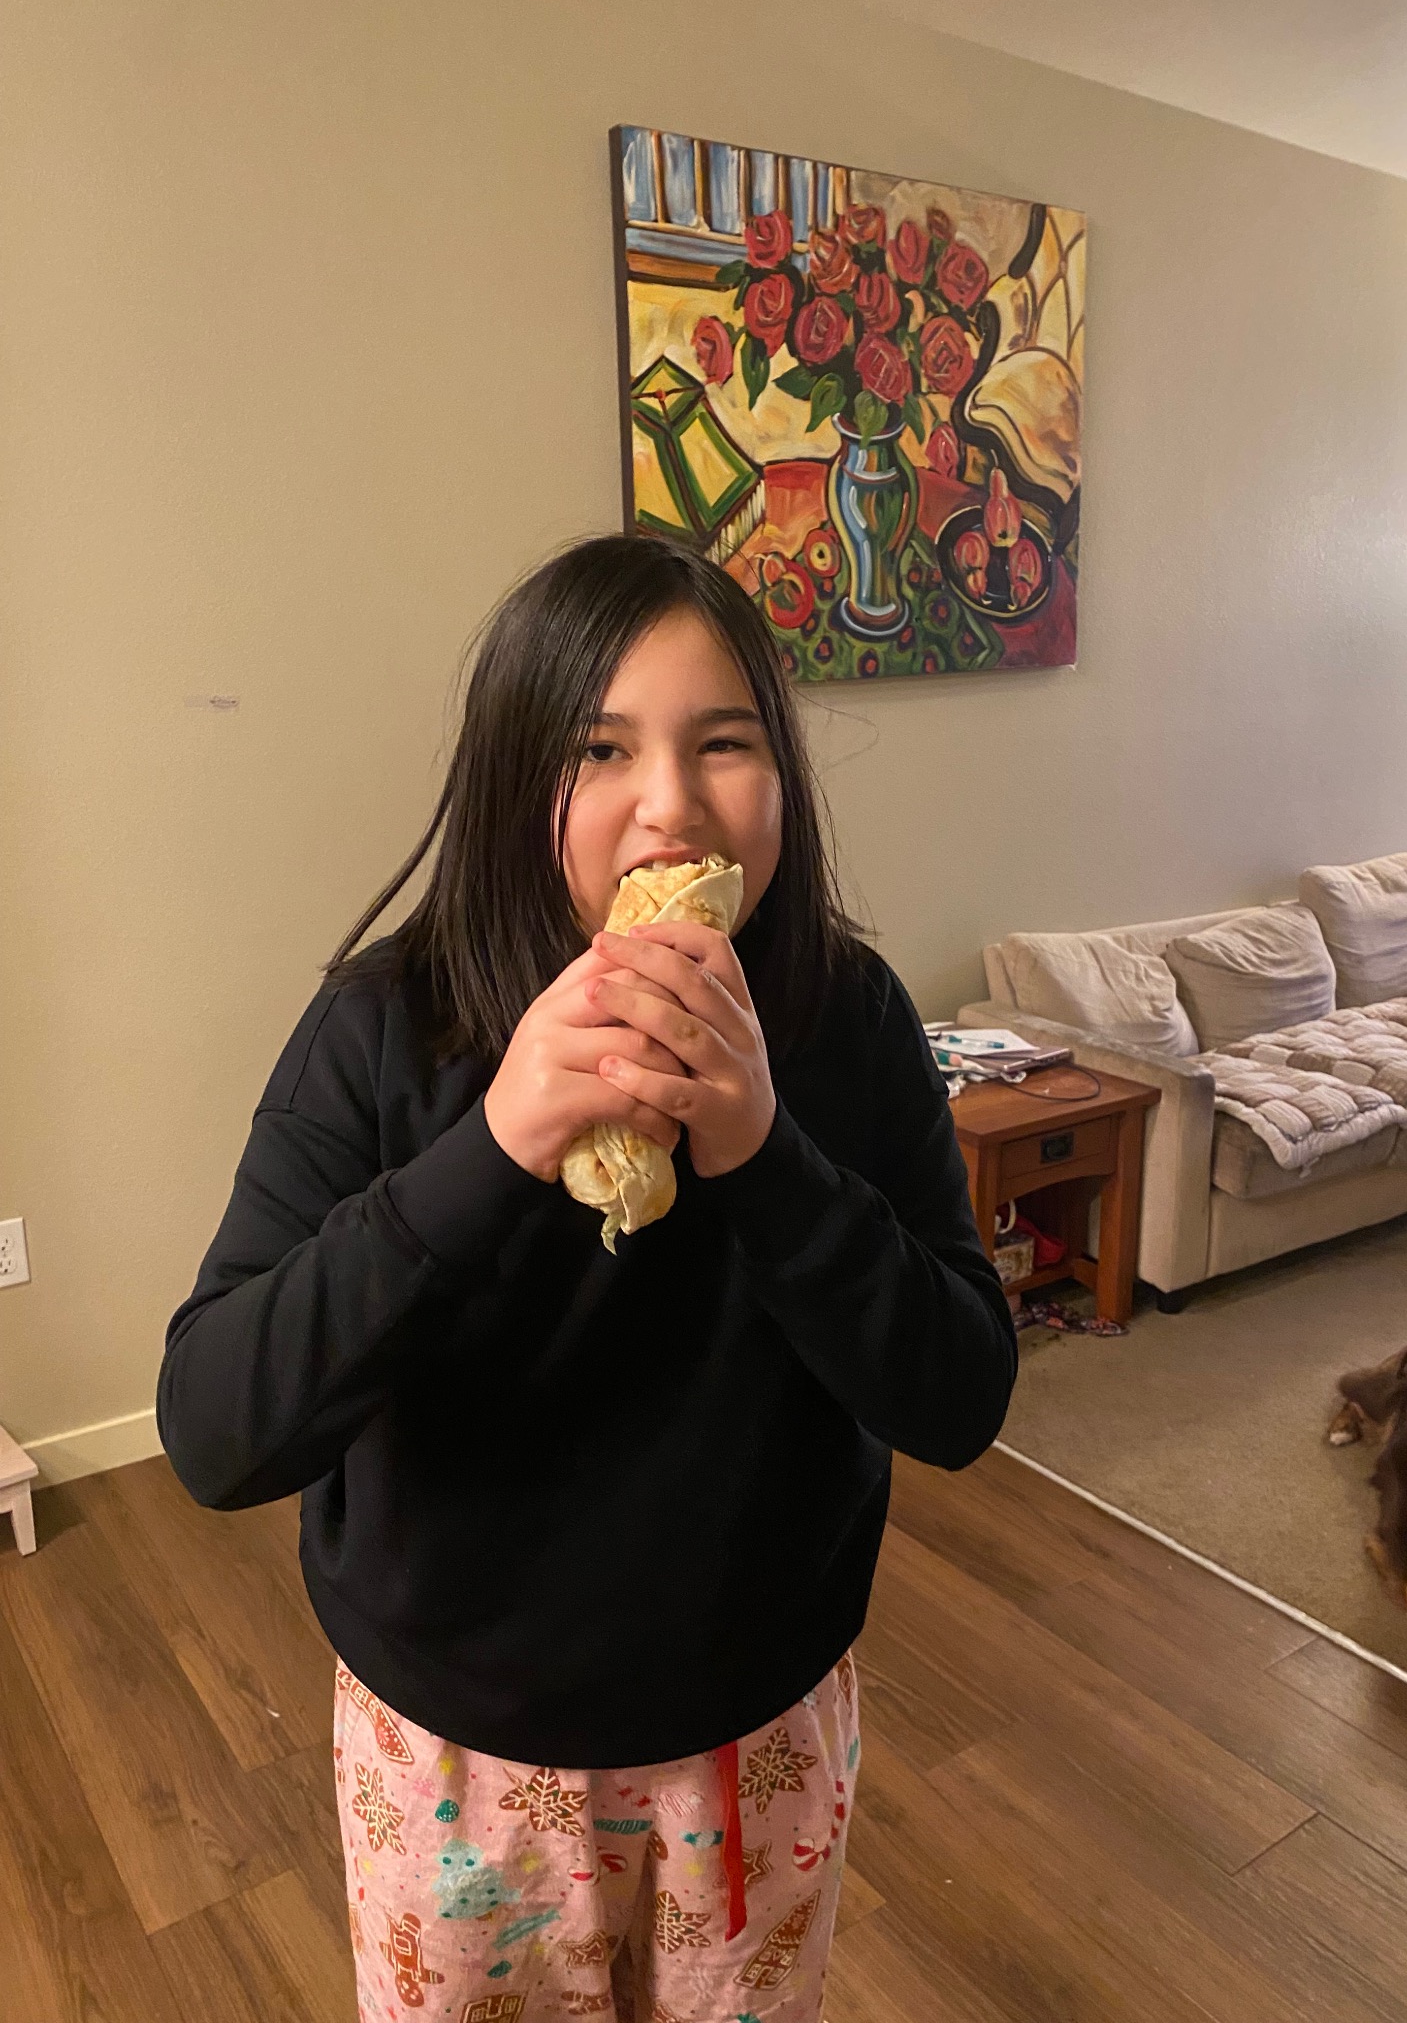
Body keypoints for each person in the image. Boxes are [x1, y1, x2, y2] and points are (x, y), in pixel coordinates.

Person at [158, 533, 1017, 2023]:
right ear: (515, 788)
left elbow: (958, 1395)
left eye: (725, 742)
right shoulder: (387, 1029)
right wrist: (491, 1150)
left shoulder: (848, 1016)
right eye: (599, 750)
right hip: (461, 1757)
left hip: (756, 1735)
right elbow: (216, 1431)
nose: (670, 803)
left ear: (784, 782)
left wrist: (765, 1155)